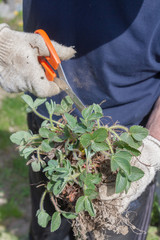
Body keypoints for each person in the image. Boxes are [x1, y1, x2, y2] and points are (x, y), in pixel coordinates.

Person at [0, 0, 160, 239]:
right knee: (47, 229)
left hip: (126, 145)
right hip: (48, 123)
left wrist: (154, 144)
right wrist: (3, 45)